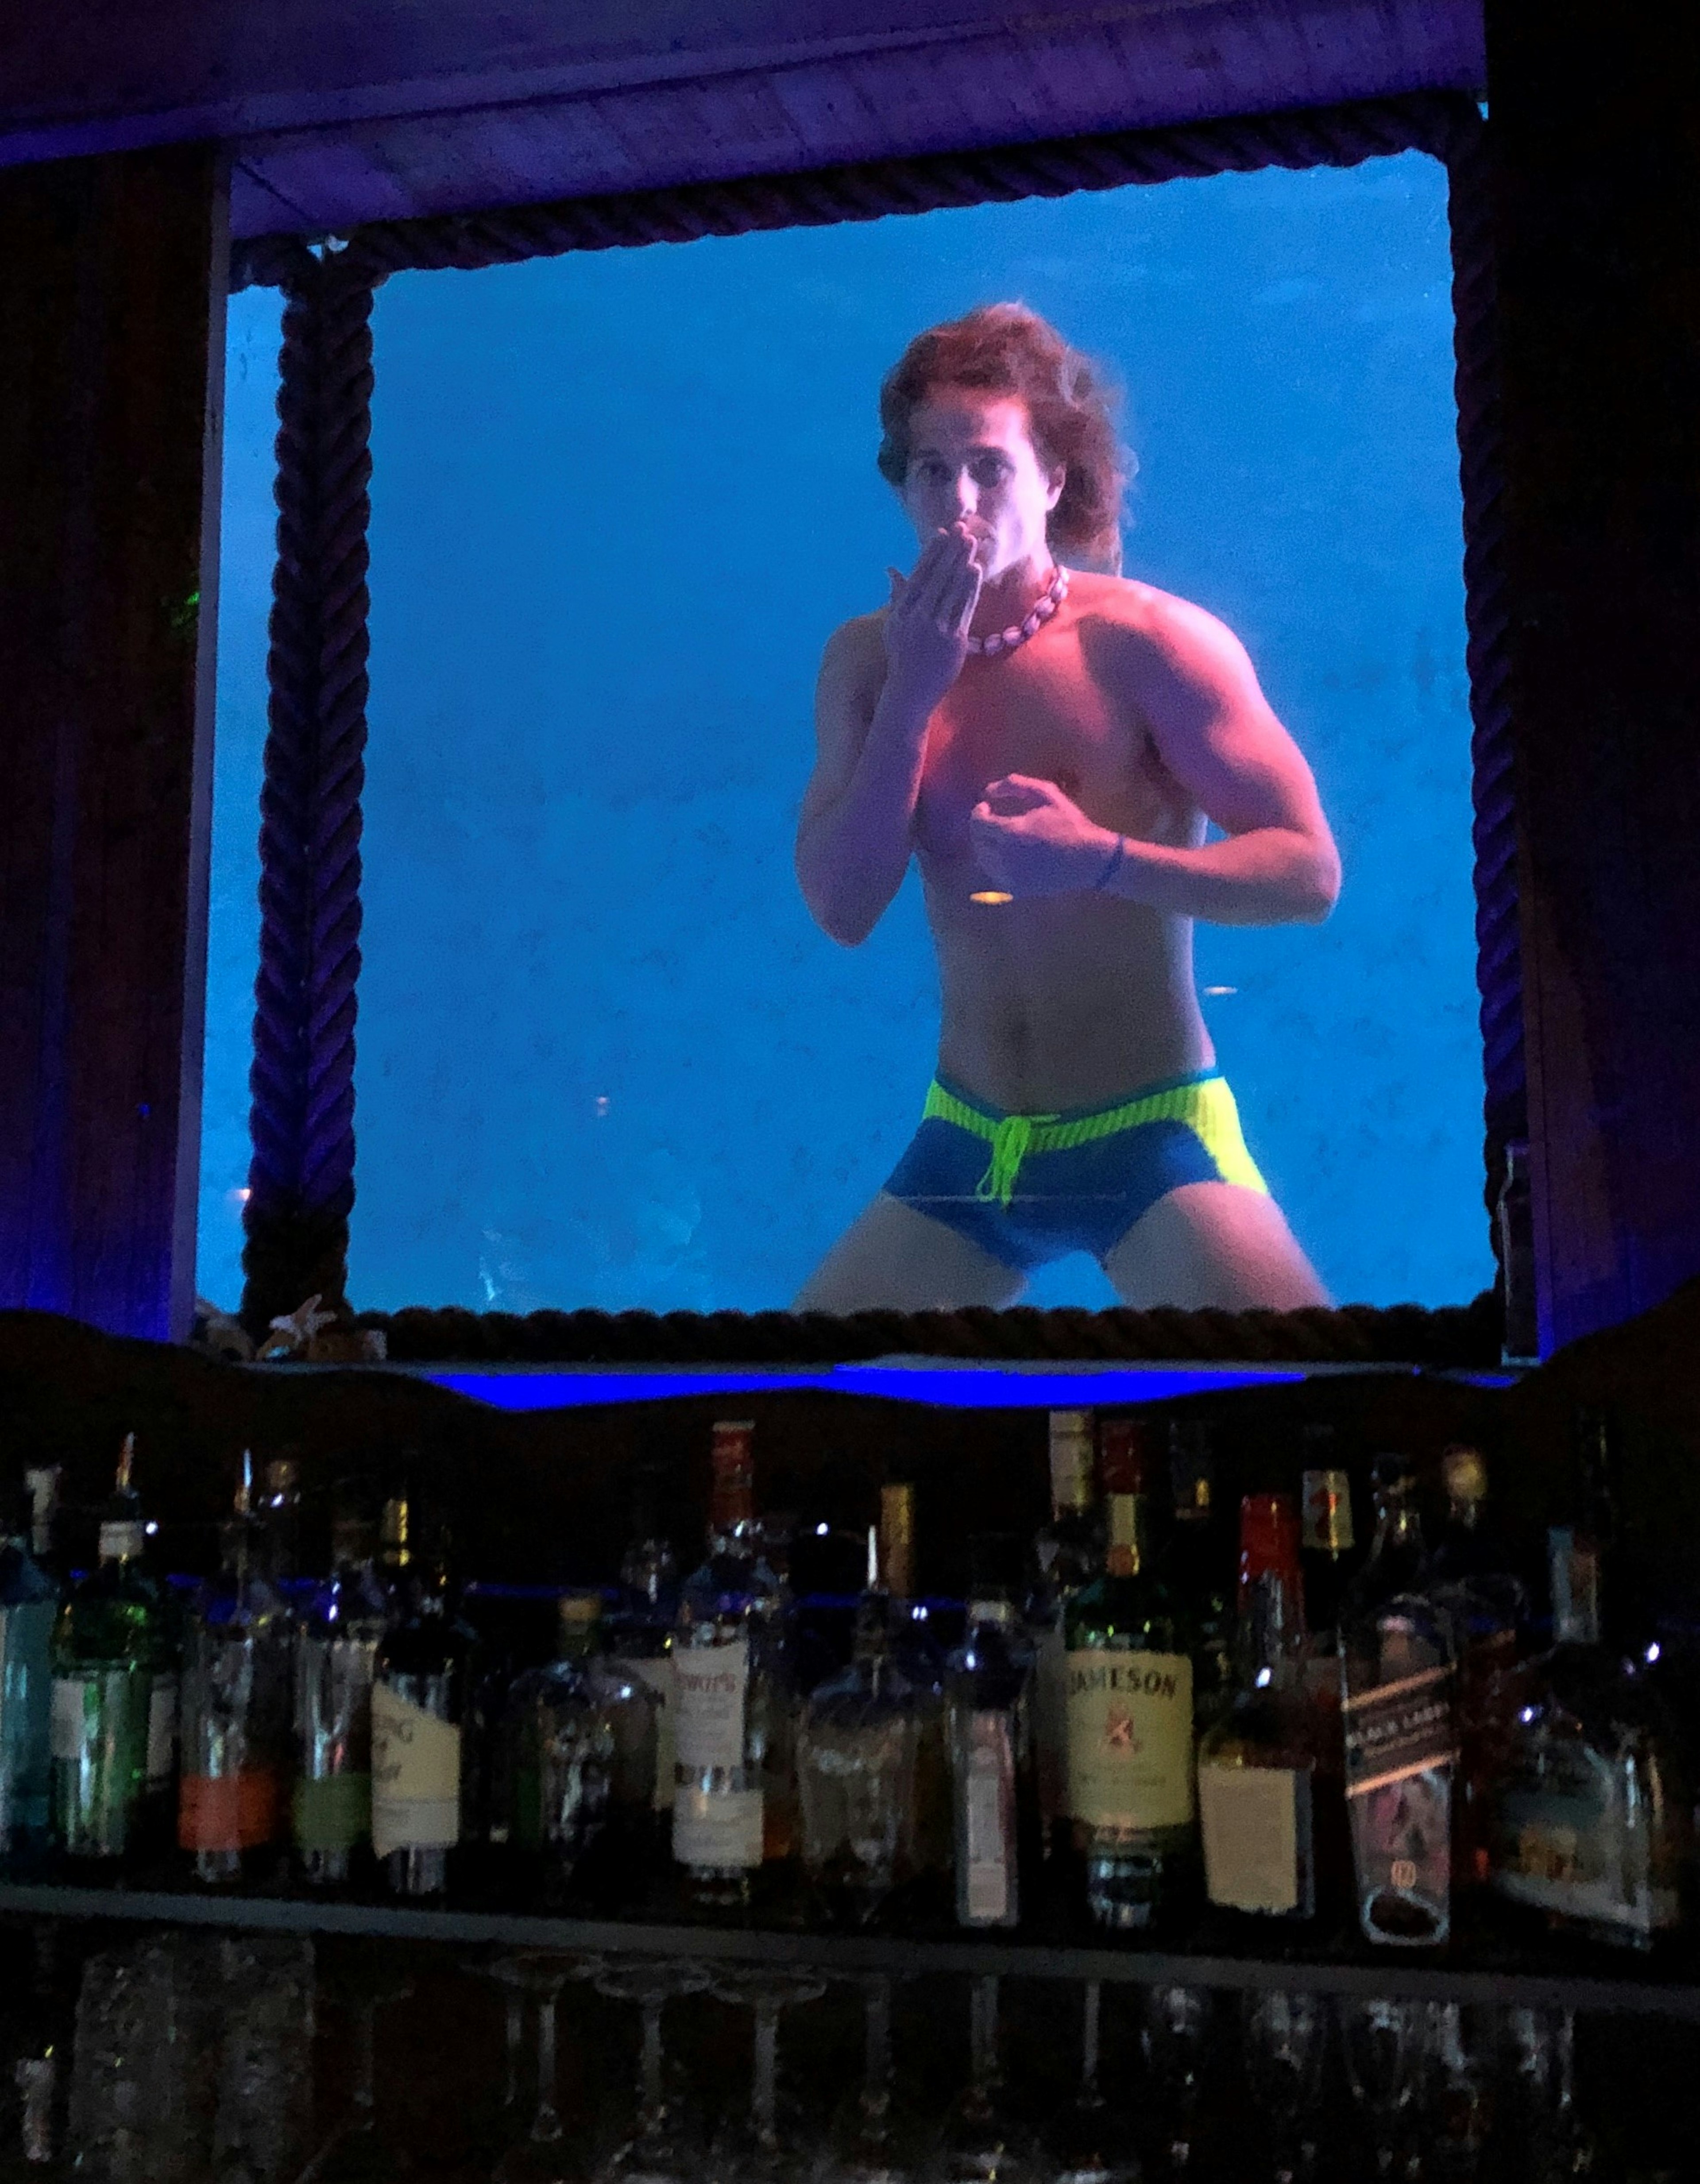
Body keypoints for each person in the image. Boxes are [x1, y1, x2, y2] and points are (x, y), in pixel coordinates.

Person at [793, 304, 1341, 1312]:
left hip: (1151, 1133)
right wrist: (916, 695)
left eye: (990, 466)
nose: (959, 499)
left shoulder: (1149, 645)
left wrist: (1101, 859)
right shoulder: (868, 663)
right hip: (969, 1142)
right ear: (902, 486)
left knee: (1327, 1401)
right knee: (776, 1416)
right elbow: (841, 906)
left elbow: (1308, 874)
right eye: (931, 470)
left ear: (1051, 479)